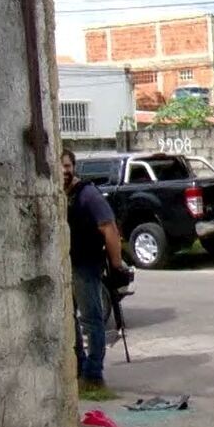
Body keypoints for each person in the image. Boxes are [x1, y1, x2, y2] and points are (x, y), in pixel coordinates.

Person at [62, 149, 131, 392]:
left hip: (86, 266)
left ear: (74, 167)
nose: (64, 171)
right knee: (68, 321)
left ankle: (93, 374)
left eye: (67, 166)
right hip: (66, 267)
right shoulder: (60, 195)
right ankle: (79, 367)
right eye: (60, 166)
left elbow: (109, 228)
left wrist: (116, 264)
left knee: (91, 320)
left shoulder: (88, 194)